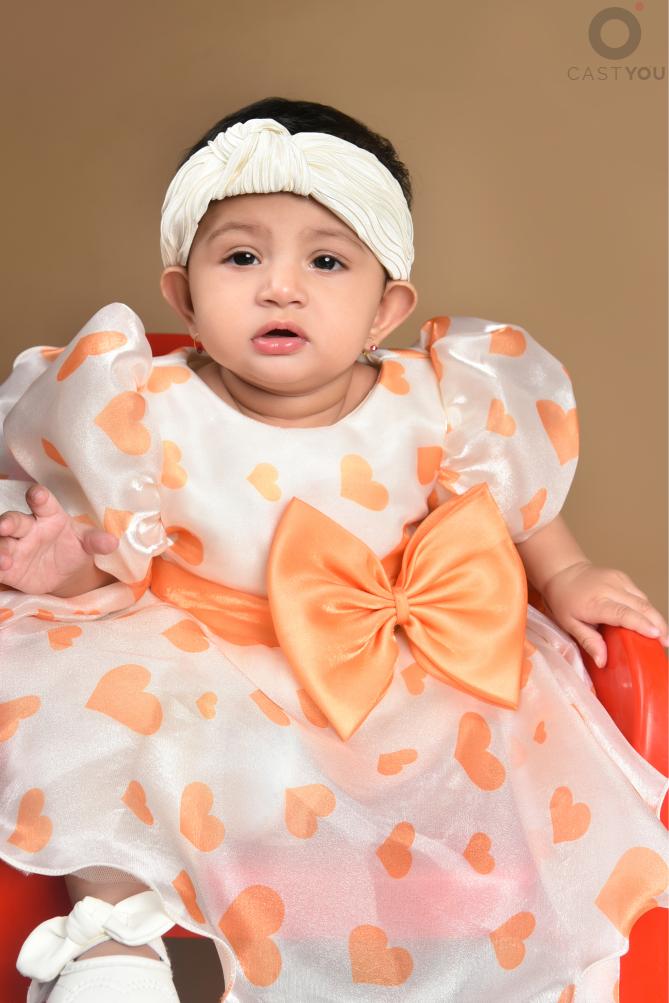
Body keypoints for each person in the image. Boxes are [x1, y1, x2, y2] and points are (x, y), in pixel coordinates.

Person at [0, 97, 667, 1003]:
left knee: (505, 770)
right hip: (200, 664)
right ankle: (115, 941)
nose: (281, 287)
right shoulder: (144, 407)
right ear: (183, 295)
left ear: (385, 306)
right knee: (101, 709)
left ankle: (522, 960)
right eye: (241, 257)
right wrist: (65, 567)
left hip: (389, 676)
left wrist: (568, 569)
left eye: (325, 261)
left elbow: (512, 505)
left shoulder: (441, 401)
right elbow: (109, 556)